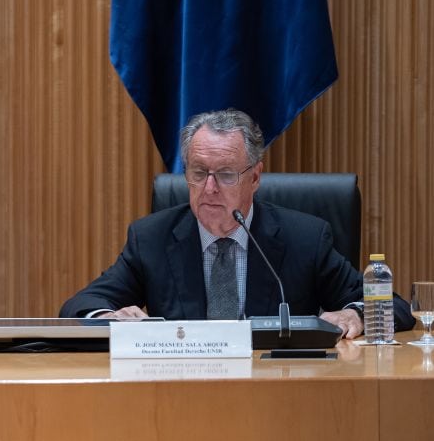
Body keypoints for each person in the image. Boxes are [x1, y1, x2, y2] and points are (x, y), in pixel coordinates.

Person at [59, 109, 414, 339]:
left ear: (255, 177)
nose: (209, 188)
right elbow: (79, 305)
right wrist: (110, 317)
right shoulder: (151, 238)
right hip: (181, 392)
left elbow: (391, 305)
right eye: (199, 173)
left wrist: (355, 315)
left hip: (280, 394)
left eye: (226, 175)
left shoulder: (304, 238)